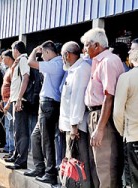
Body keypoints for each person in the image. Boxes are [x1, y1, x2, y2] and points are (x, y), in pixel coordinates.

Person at [81, 27, 124, 188]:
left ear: (97, 45)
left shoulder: (108, 61)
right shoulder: (98, 61)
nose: (84, 49)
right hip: (96, 115)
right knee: (98, 164)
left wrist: (99, 128)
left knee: (106, 166)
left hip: (102, 116)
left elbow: (109, 96)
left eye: (86, 45)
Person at [25, 40, 64, 185]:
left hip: (49, 104)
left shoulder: (55, 63)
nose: (42, 57)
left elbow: (30, 62)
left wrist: (35, 51)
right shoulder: (54, 63)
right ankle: (40, 167)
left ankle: (50, 173)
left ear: (47, 52)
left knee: (47, 141)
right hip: (47, 104)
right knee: (36, 137)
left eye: (43, 54)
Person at [58, 41, 94, 187]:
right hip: (71, 126)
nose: (62, 59)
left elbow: (78, 99)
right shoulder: (74, 69)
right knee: (72, 163)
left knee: (79, 165)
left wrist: (74, 126)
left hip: (77, 128)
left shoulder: (81, 69)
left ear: (67, 55)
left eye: (62, 56)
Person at [5, 41, 31, 170]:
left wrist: (20, 98)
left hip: (21, 101)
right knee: (16, 130)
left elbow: (26, 78)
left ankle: (22, 160)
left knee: (21, 131)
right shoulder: (18, 62)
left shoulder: (23, 60)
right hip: (16, 99)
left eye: (12, 49)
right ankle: (16, 155)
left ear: (16, 50)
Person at [113, 49, 138, 187]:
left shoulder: (126, 77)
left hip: (133, 134)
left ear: (131, 60)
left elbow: (117, 112)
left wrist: (123, 132)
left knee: (133, 180)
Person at [0, 50, 15, 157]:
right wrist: (2, 100)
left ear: (8, 58)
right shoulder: (8, 69)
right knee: (7, 125)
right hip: (5, 101)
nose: (2, 60)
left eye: (3, 58)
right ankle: (8, 146)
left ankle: (11, 148)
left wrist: (8, 103)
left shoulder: (13, 69)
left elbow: (13, 88)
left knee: (11, 126)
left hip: (10, 102)